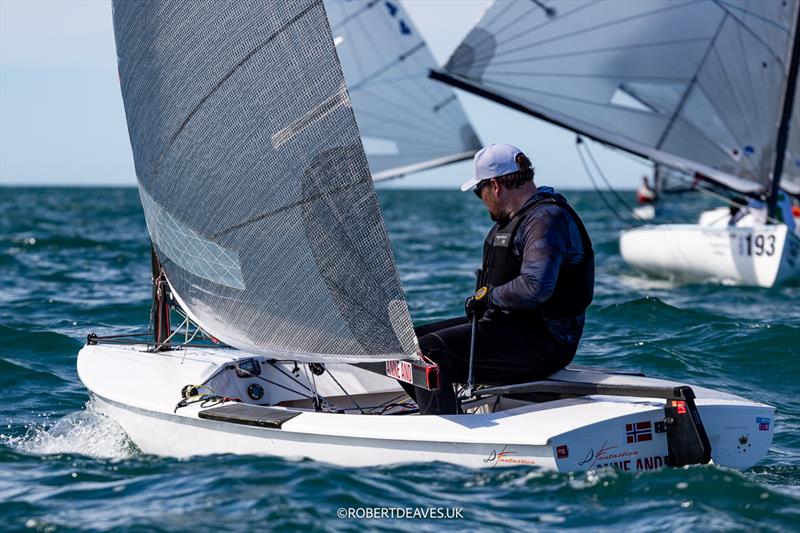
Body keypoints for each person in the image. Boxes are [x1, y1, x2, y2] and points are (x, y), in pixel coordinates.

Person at [403, 144, 595, 415]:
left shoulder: (545, 220)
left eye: (477, 191)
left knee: (426, 352)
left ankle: (447, 428)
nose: (480, 198)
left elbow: (535, 287)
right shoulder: (515, 220)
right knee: (404, 345)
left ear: (495, 185)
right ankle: (442, 412)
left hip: (545, 343)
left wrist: (487, 296)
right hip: (507, 329)